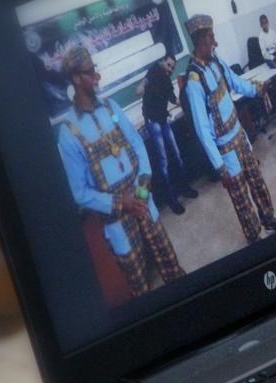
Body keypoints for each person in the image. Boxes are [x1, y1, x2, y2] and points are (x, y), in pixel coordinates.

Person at [58, 46, 185, 298]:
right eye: (90, 72)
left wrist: (143, 183)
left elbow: (136, 143)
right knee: (140, 286)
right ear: (75, 78)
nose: (97, 76)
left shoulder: (111, 107)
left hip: (142, 198)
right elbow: (79, 193)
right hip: (117, 221)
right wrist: (120, 203)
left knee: (171, 265)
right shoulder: (68, 133)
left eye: (95, 69)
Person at [182, 15, 276, 244]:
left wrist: (257, 90)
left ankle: (268, 218)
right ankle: (254, 237)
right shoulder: (193, 82)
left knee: (257, 180)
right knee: (240, 196)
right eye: (210, 36)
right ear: (200, 40)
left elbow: (236, 82)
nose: (215, 41)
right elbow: (202, 131)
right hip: (225, 149)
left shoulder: (216, 61)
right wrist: (220, 167)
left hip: (239, 135)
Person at [139, 54, 198, 215]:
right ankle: (171, 200)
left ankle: (185, 188)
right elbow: (144, 82)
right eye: (169, 65)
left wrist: (187, 101)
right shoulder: (153, 71)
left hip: (163, 119)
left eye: (172, 67)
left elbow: (173, 99)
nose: (171, 69)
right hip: (153, 121)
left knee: (177, 155)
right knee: (163, 161)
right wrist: (141, 86)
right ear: (161, 62)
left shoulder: (166, 79)